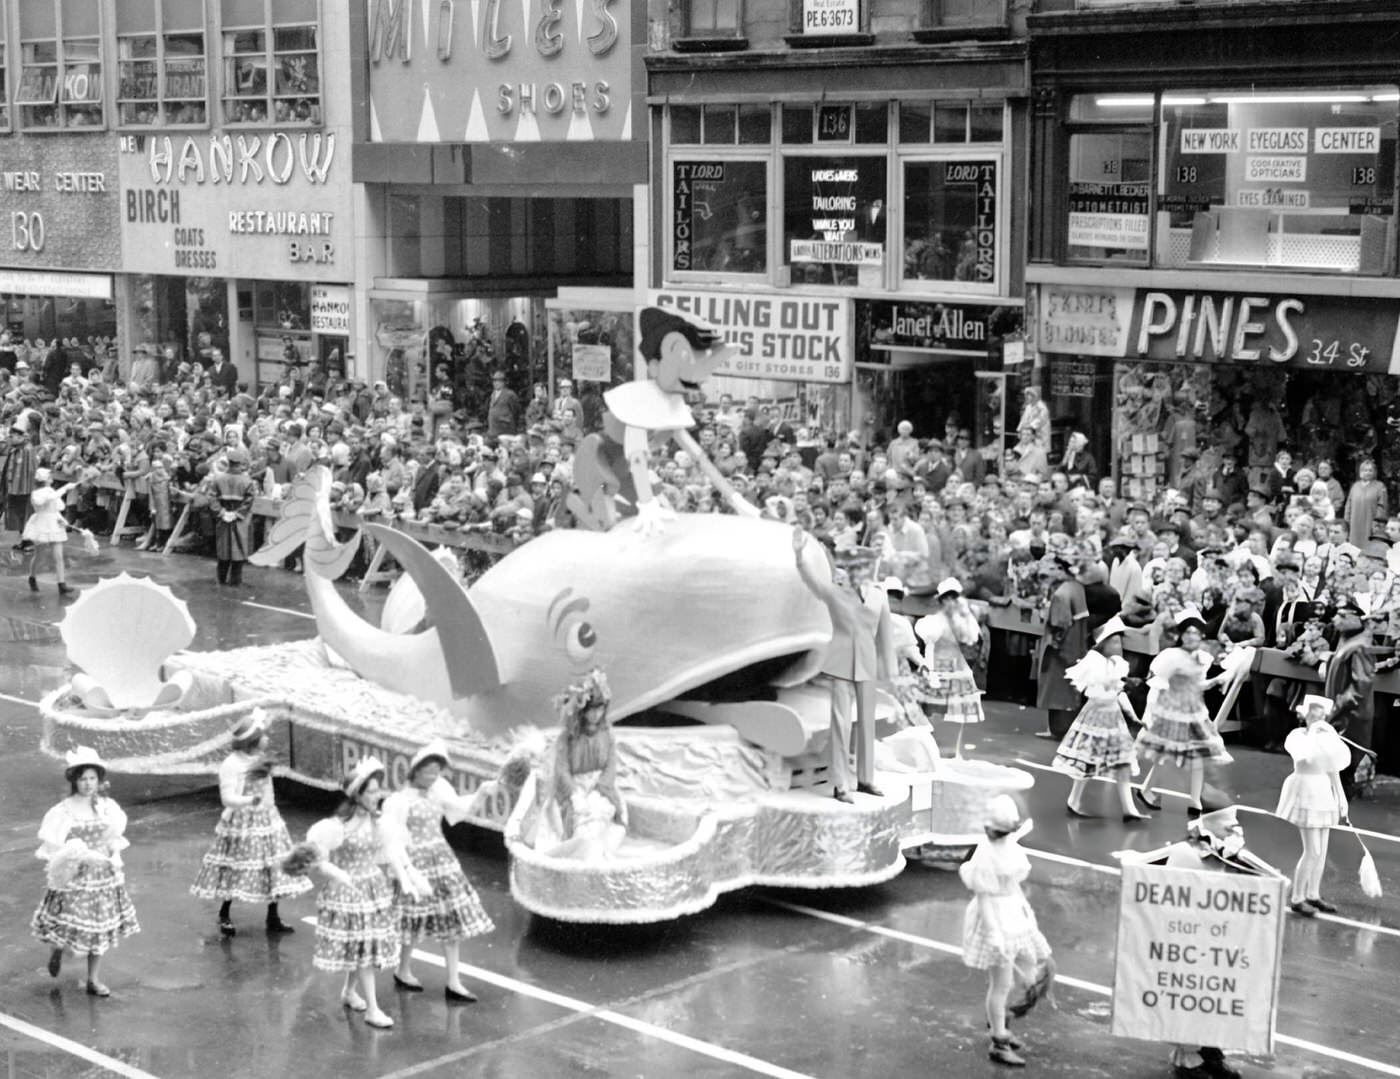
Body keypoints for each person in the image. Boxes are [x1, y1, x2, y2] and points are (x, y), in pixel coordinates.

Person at [1125, 788, 1282, 1079]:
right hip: (1187, 942)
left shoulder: (1229, 854)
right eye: (1230, 824)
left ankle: (1210, 1050)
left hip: (1219, 943)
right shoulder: (1186, 853)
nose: (1237, 829)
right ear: (1211, 823)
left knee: (1216, 1000)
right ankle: (1187, 1059)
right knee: (1190, 1001)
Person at [302, 757, 425, 1029]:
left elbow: (392, 851)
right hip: (349, 893)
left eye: (377, 790)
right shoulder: (338, 827)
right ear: (357, 795)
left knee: (363, 947)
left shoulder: (378, 823)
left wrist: (406, 880)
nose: (377, 795)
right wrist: (338, 874)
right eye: (370, 791)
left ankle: (349, 991)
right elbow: (318, 859)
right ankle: (372, 1008)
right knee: (364, 950)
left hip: (372, 888)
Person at [381, 740, 495, 1001]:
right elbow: (392, 839)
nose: (432, 777)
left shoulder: (439, 790)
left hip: (441, 860)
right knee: (412, 920)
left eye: (436, 771)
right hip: (416, 864)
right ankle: (403, 968)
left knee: (451, 918)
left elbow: (459, 810)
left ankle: (453, 980)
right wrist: (401, 872)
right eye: (428, 771)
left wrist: (481, 793)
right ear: (415, 771)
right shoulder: (400, 800)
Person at [793, 530, 894, 802]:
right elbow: (811, 582)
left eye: (862, 566)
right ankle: (840, 784)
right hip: (841, 662)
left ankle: (865, 779)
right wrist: (800, 556)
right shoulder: (836, 592)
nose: (859, 571)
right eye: (854, 567)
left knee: (867, 725)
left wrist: (893, 673)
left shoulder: (878, 595)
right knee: (841, 723)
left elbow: (886, 635)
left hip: (868, 662)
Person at [31, 747, 140, 997]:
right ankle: (57, 949)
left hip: (103, 876)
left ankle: (93, 979)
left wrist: (114, 855)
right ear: (74, 781)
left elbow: (114, 836)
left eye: (92, 778)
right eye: (83, 779)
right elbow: (56, 847)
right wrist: (81, 856)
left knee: (99, 927)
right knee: (68, 922)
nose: (88, 784)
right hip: (76, 875)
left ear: (99, 781)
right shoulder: (64, 810)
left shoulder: (107, 806)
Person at [190, 709, 309, 936]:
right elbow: (227, 799)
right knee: (236, 867)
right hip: (243, 824)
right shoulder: (232, 764)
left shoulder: (259, 760)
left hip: (267, 821)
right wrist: (249, 801)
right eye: (263, 735)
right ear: (252, 740)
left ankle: (273, 916)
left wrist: (272, 813)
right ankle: (225, 913)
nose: (267, 738)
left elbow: (268, 791)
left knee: (273, 867)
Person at [959, 794, 1055, 1069]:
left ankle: (1002, 1020)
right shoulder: (986, 855)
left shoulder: (1005, 845)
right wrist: (994, 935)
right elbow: (985, 899)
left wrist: (1026, 914)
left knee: (1025, 969)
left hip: (1013, 911)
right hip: (997, 919)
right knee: (1001, 984)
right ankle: (998, 1037)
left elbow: (1012, 885)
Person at [1134, 607, 1232, 812]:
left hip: (1195, 713)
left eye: (1196, 633)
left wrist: (1216, 681)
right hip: (1173, 713)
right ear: (1181, 635)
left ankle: (1194, 800)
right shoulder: (1171, 657)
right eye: (1188, 632)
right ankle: (1146, 789)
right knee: (1167, 755)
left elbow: (1197, 686)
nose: (1192, 636)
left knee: (1197, 755)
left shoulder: (1202, 658)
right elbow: (1157, 686)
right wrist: (1151, 714)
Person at [1053, 617, 1149, 821]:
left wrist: (1133, 717)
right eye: (1114, 641)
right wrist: (1119, 681)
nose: (1119, 645)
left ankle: (1128, 809)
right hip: (1096, 717)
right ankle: (1074, 800)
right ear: (1103, 644)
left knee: (1123, 761)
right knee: (1087, 760)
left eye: (1120, 641)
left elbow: (1119, 694)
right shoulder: (1094, 662)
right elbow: (1095, 689)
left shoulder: (1119, 665)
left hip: (1113, 719)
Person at [532, 669, 631, 858]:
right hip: (575, 789)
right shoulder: (568, 738)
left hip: (599, 788)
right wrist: (576, 795)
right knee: (579, 818)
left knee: (601, 814)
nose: (596, 714)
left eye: (600, 708)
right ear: (582, 710)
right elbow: (562, 770)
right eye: (592, 709)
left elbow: (610, 766)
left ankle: (596, 851)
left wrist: (599, 789)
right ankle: (580, 849)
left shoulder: (607, 734)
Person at [1276, 694, 1350, 916]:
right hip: (1304, 791)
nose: (1316, 715)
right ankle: (1297, 897)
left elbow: (1333, 767)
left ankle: (1313, 893)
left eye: (1320, 713)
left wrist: (1341, 796)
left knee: (1322, 850)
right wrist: (1316, 736)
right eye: (1312, 711)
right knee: (1312, 850)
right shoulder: (1297, 737)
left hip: (1322, 791)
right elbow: (1303, 758)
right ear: (1305, 714)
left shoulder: (1326, 737)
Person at [914, 578, 985, 741]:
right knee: (935, 710)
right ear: (942, 600)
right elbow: (930, 647)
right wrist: (930, 671)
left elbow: (972, 641)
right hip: (939, 666)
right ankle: (937, 744)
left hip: (957, 667)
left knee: (959, 712)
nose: (951, 602)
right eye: (947, 598)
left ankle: (953, 749)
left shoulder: (966, 621)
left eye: (954, 598)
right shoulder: (935, 622)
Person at [1035, 554, 1090, 739]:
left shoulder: (1061, 594)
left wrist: (1054, 648)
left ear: (1061, 569)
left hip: (1063, 648)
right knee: (1070, 689)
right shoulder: (1078, 588)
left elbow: (1059, 625)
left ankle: (1056, 730)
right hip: (1078, 645)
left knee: (1056, 687)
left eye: (1053, 568)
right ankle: (1065, 729)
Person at [24, 467, 79, 596]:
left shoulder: (52, 491)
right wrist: (65, 488)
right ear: (44, 480)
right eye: (49, 477)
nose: (51, 479)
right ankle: (32, 577)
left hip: (54, 524)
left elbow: (57, 508)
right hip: (42, 525)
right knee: (39, 555)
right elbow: (44, 500)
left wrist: (62, 520)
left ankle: (61, 584)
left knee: (59, 556)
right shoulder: (37, 494)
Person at [211, 447, 257, 585]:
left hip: (223, 517)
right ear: (240, 464)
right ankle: (235, 581)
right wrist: (237, 514)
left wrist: (221, 512)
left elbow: (212, 498)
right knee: (238, 549)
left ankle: (221, 579)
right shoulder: (247, 481)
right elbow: (249, 500)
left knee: (223, 550)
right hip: (240, 520)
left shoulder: (218, 479)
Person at [1344, 457, 1388, 548]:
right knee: (1354, 548)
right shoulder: (1355, 486)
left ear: (1374, 472)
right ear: (1361, 471)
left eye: (1370, 470)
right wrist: (1347, 520)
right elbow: (1349, 504)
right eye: (1365, 470)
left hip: (1370, 522)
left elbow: (1382, 506)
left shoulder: (1380, 486)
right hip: (1355, 523)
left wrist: (1377, 524)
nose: (1368, 472)